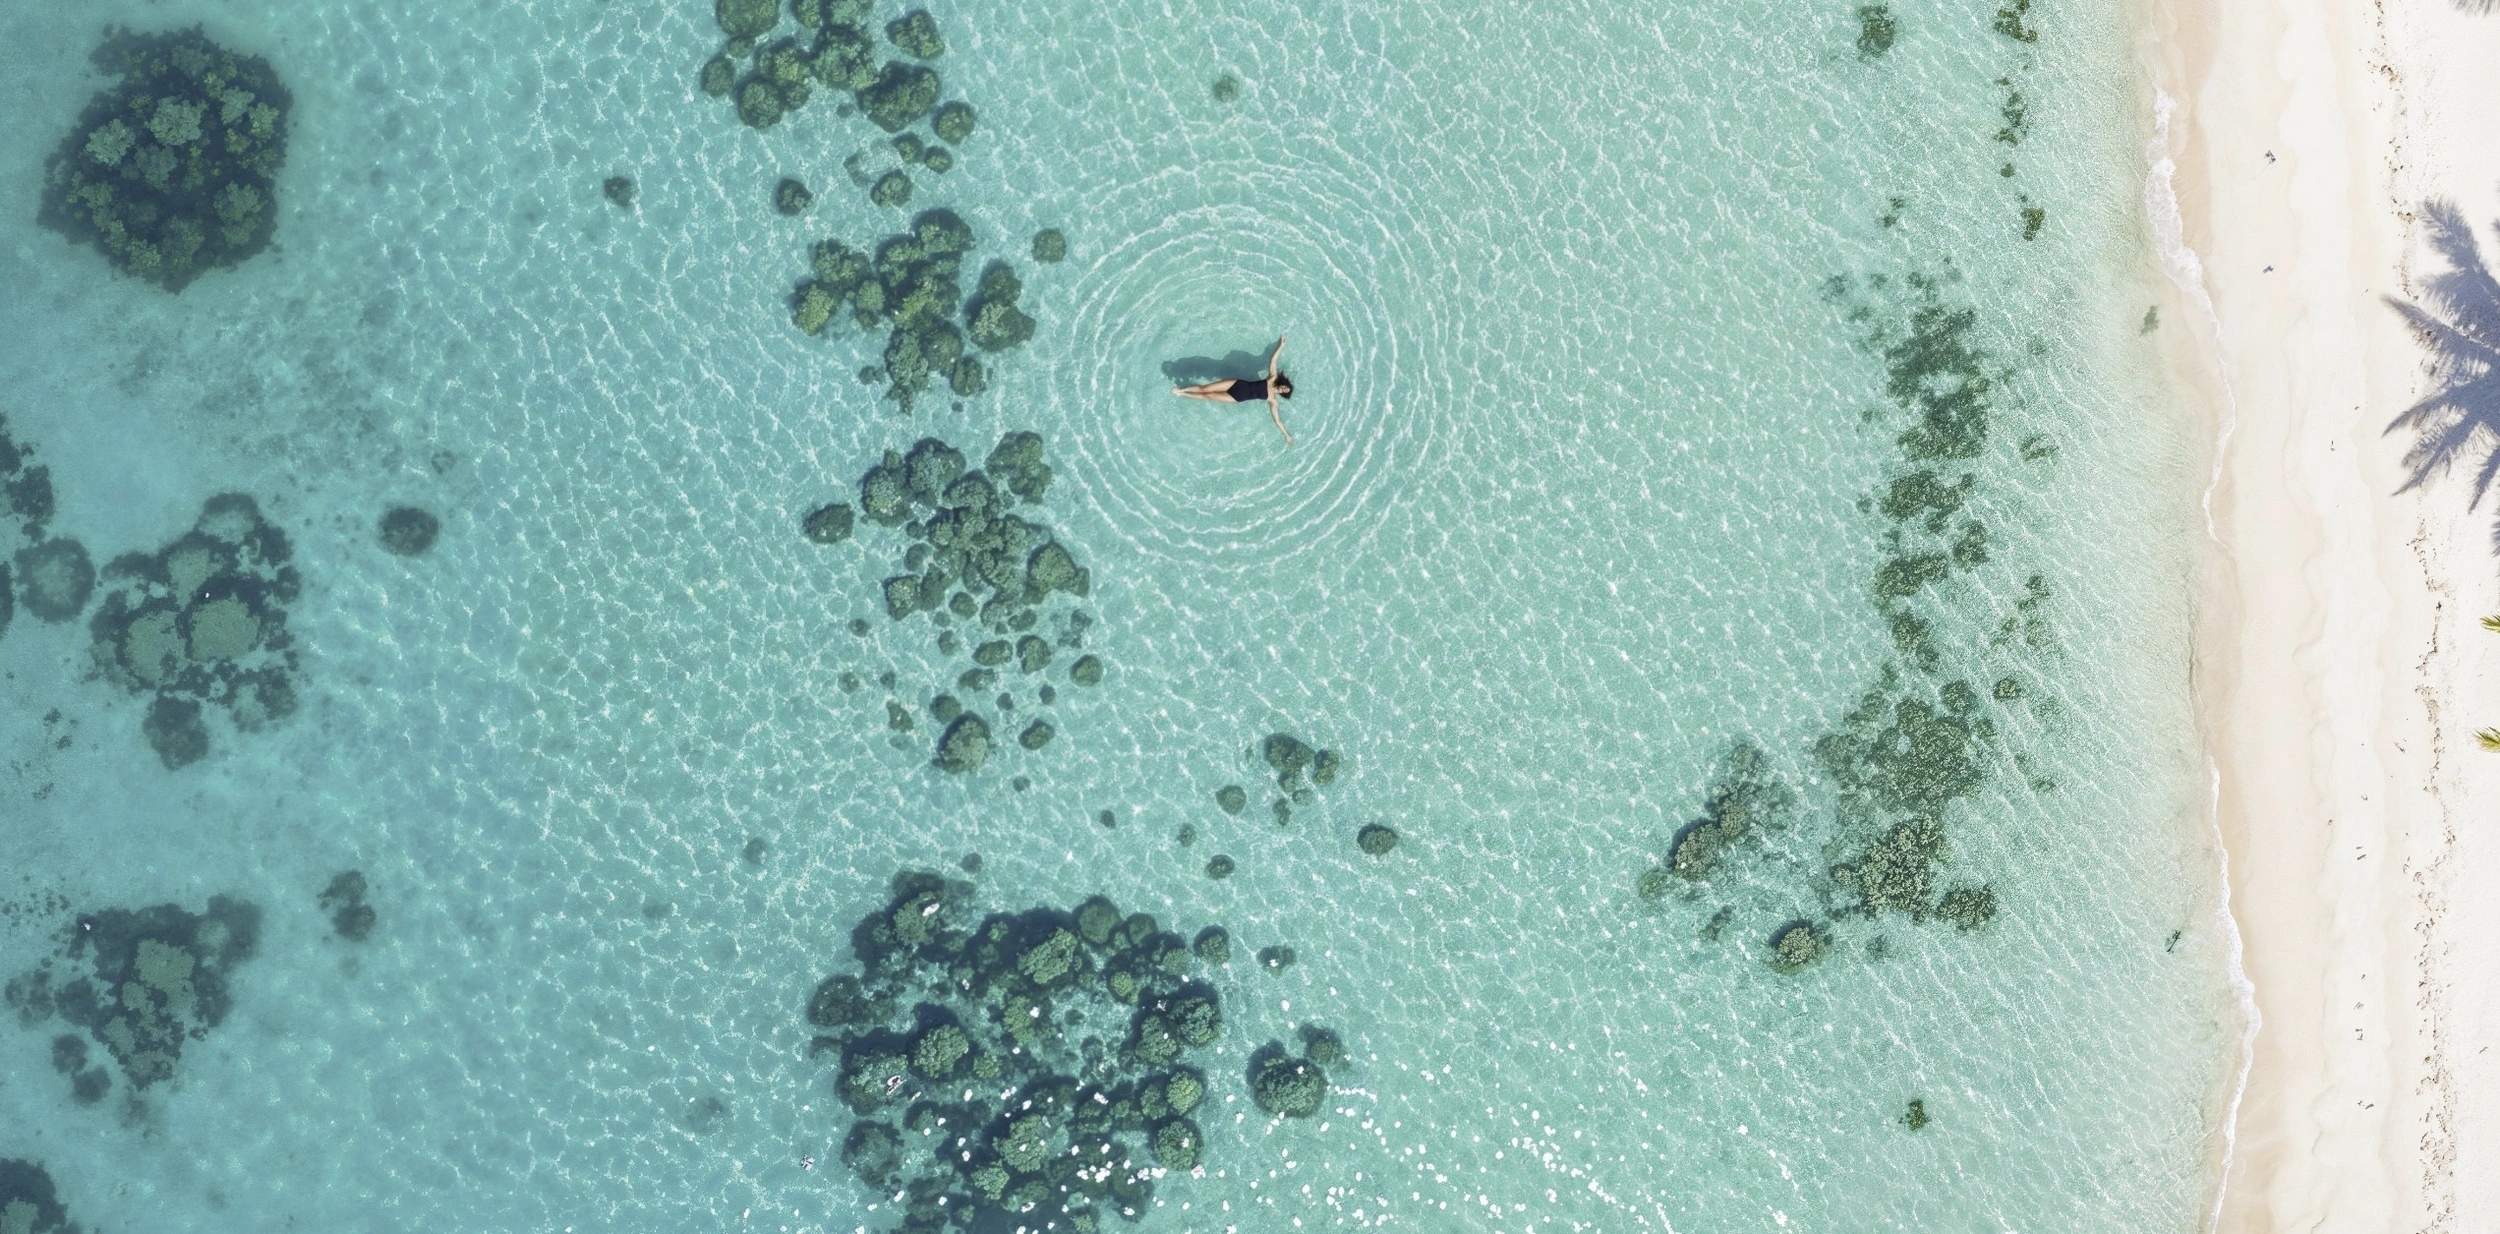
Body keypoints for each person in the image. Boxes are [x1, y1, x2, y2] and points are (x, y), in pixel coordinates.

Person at [1173, 336, 1294, 444]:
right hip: (1237, 384)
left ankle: (1182, 394)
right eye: (1285, 387)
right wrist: (1280, 346)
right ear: (1284, 384)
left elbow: (1277, 420)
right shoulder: (1272, 378)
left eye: (1285, 391)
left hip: (1236, 398)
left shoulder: (1273, 400)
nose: (1283, 389)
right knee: (1205, 388)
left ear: (1283, 394)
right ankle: (1181, 390)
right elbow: (1273, 360)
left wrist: (1286, 435)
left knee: (1208, 396)